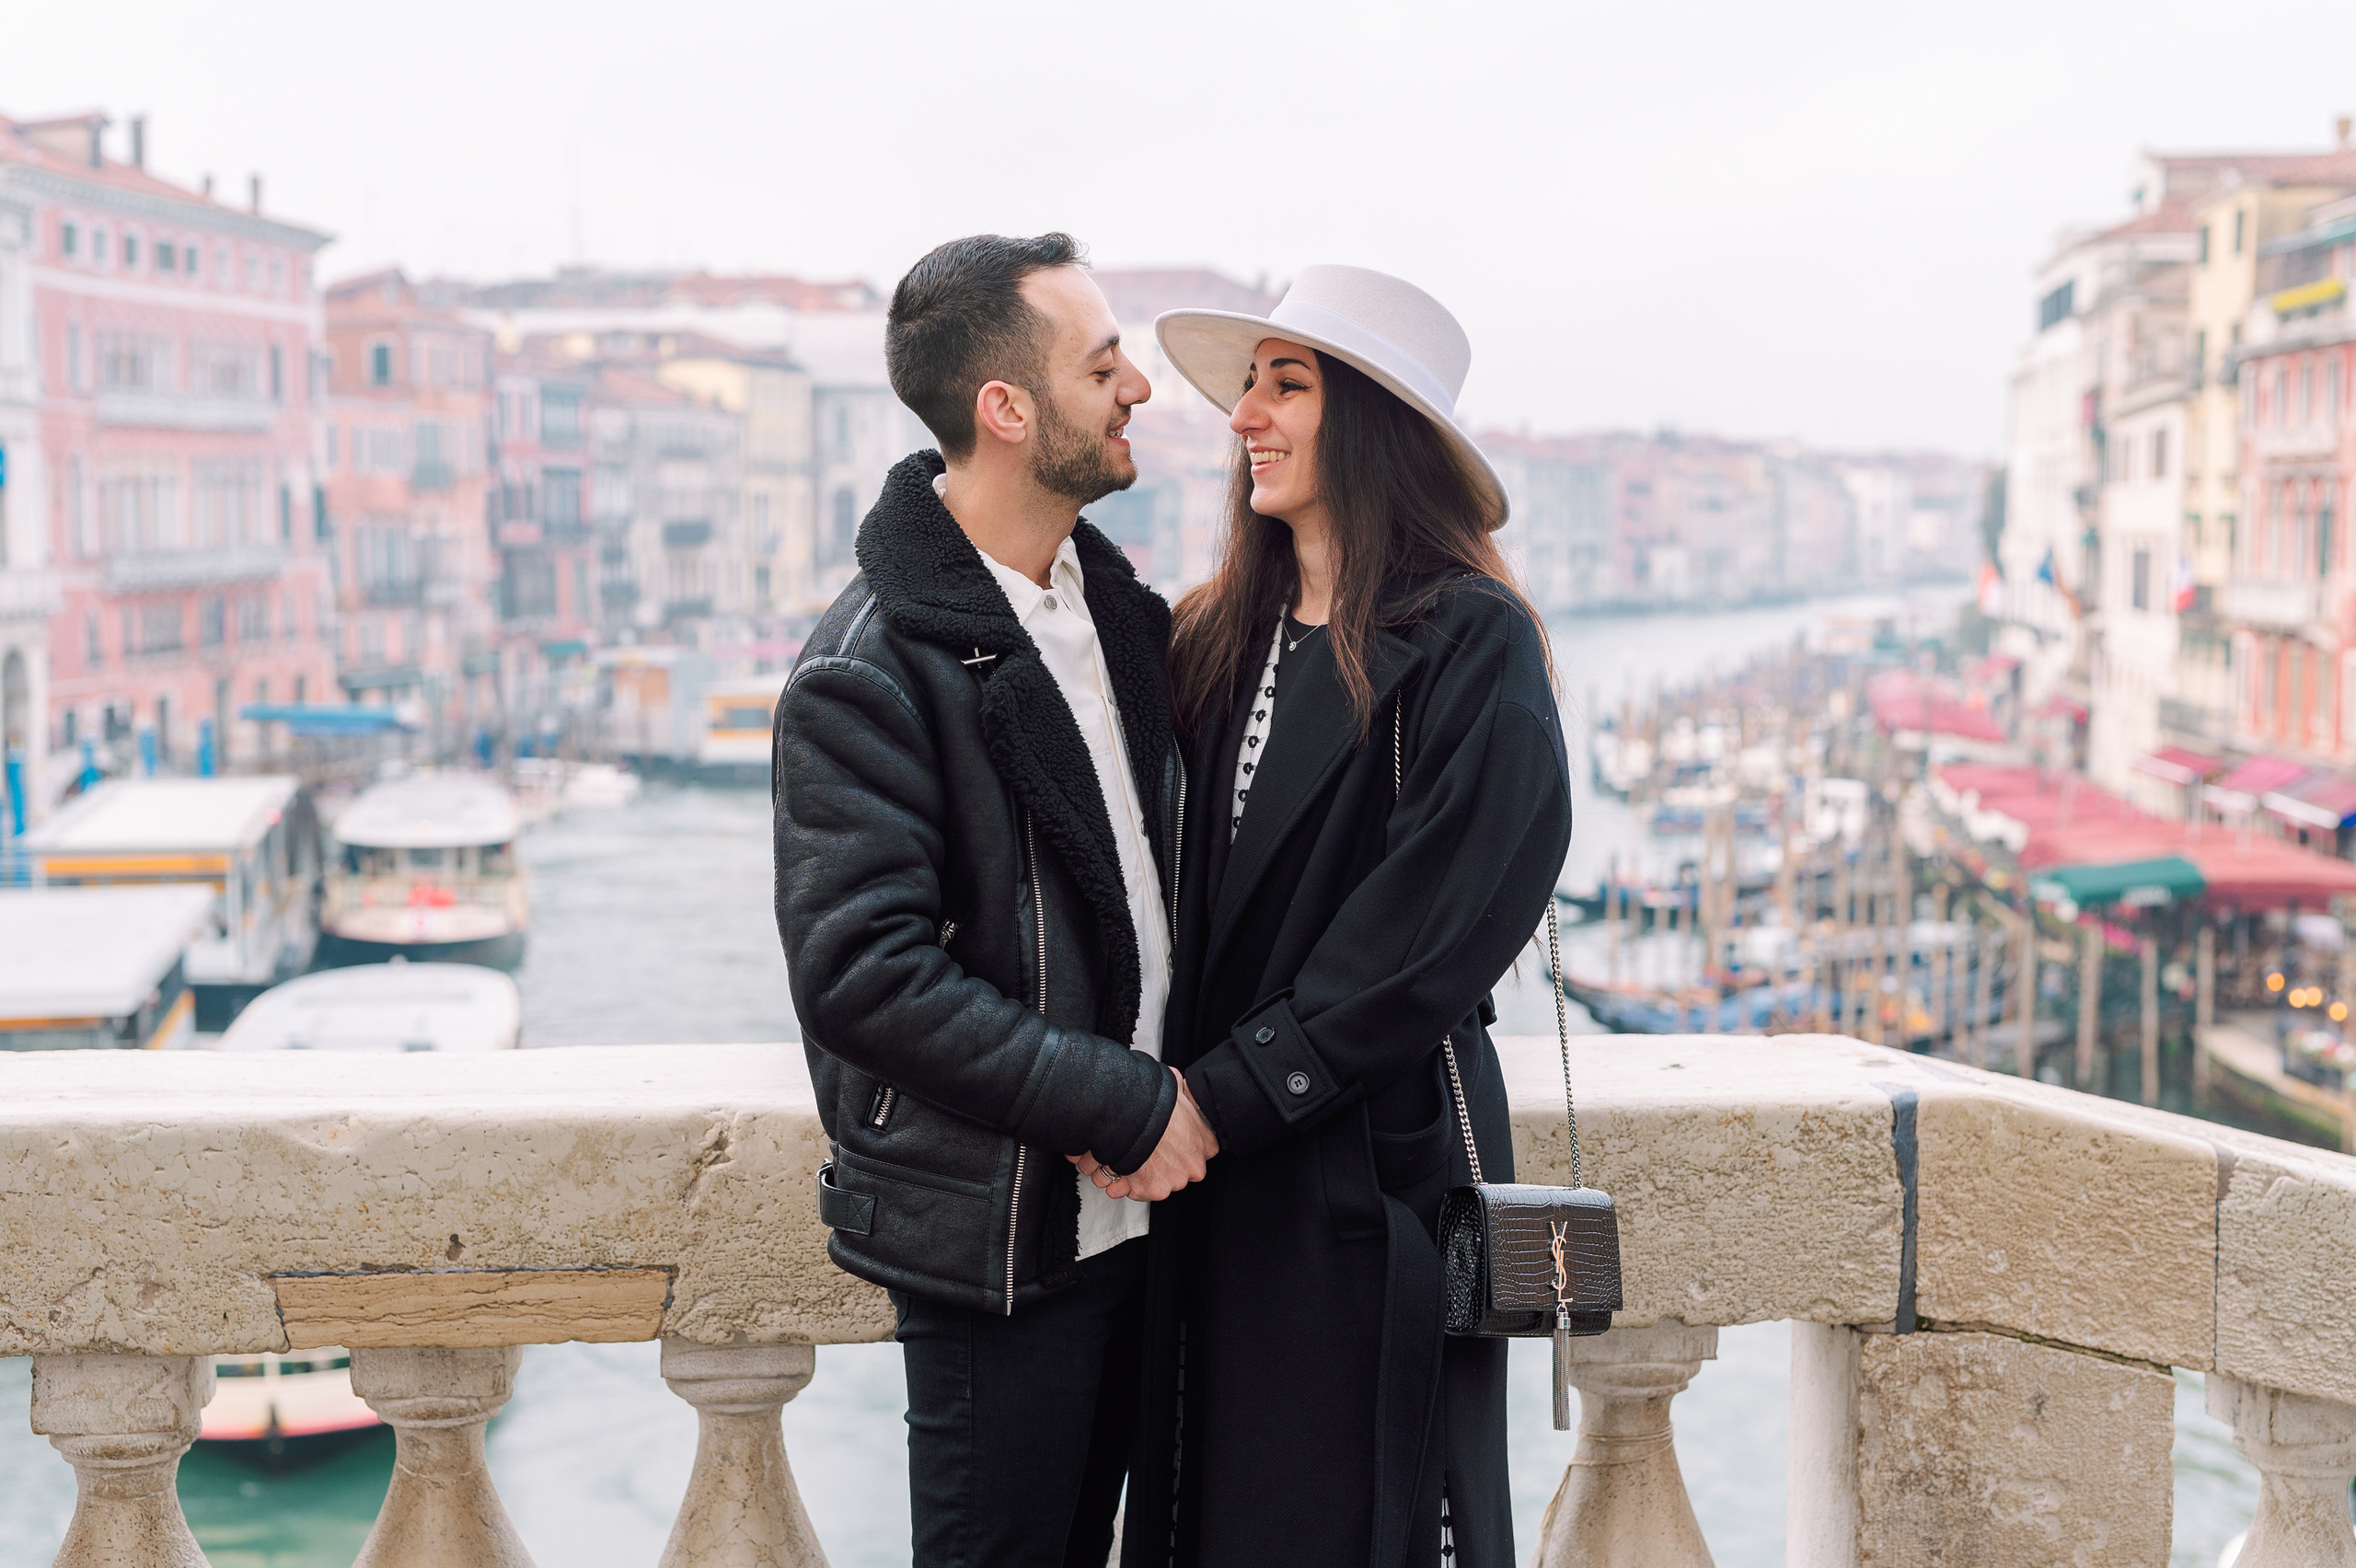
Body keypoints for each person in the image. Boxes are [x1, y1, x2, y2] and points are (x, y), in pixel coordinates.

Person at [1108, 267, 1574, 1568]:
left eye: (1287, 383)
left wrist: (1215, 1102)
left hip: (1365, 1172)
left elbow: (1430, 937)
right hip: (1207, 1183)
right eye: (1249, 383)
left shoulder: (1474, 645)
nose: (1246, 413)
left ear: (1368, 421)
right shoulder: (1210, 636)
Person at [772, 232, 1219, 1568]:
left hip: (1167, 1228)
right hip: (1006, 1259)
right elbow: (863, 975)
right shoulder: (864, 670)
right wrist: (1120, 1101)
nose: (1137, 385)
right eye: (1102, 364)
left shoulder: (1119, 614)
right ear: (1007, 411)